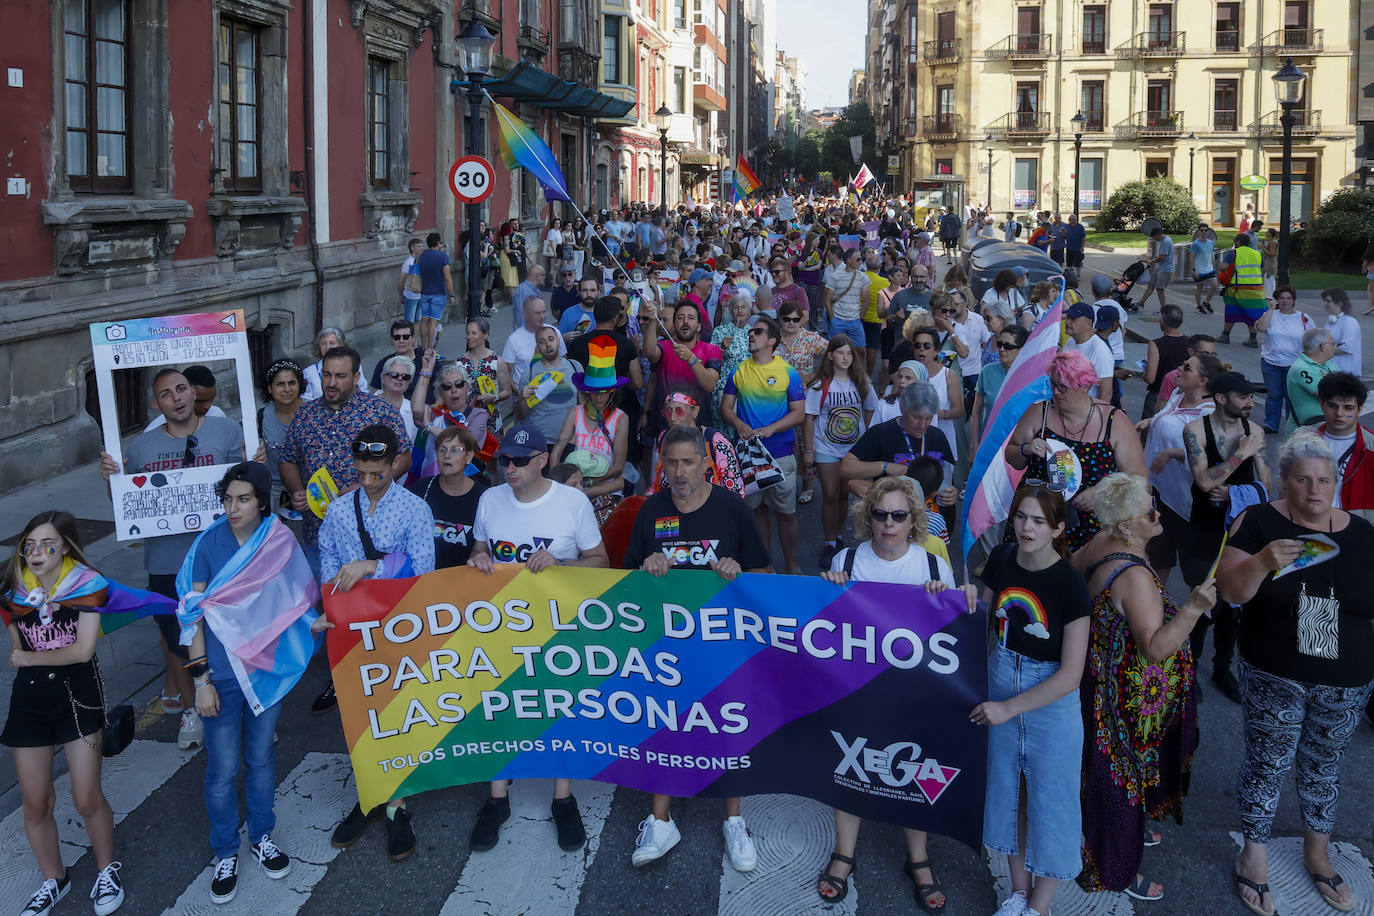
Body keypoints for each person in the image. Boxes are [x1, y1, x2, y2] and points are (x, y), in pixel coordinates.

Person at [1218, 432, 1374, 916]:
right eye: (1302, 480)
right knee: (1268, 764)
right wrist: (1265, 560)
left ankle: (1317, 853)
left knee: (1324, 768)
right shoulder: (1259, 522)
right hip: (1274, 671)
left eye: (1324, 480)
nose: (1314, 490)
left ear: (1336, 483)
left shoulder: (1363, 535)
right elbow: (1230, 592)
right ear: (1283, 482)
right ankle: (1254, 857)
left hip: (1347, 680)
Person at [817, 476, 971, 911]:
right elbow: (820, 627)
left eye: (898, 515)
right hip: (855, 690)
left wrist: (957, 599)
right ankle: (843, 854)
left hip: (913, 693)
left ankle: (918, 858)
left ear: (913, 520)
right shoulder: (845, 559)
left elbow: (957, 635)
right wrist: (826, 589)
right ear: (869, 517)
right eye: (880, 514)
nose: (888, 524)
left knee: (916, 768)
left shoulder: (934, 567)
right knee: (849, 766)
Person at [623, 424, 771, 869]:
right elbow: (625, 581)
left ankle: (733, 821)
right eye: (671, 462)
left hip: (723, 639)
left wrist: (737, 571)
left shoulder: (732, 508)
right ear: (661, 464)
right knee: (666, 722)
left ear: (707, 463)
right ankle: (660, 819)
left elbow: (766, 575)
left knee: (727, 726)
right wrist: (646, 566)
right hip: (666, 642)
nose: (680, 472)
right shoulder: (651, 510)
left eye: (689, 462)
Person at [467, 423, 610, 853]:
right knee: (496, 704)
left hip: (557, 626)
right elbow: (478, 549)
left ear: (543, 460)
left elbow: (601, 562)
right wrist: (477, 557)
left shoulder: (572, 502)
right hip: (501, 624)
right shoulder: (490, 499)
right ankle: (497, 799)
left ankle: (562, 798)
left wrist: (562, 563)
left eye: (519, 461)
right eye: (504, 460)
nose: (509, 468)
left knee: (558, 707)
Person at [179, 461, 318, 904]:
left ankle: (261, 835)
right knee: (222, 770)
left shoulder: (278, 540)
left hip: (265, 668)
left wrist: (316, 622)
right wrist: (201, 679)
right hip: (220, 673)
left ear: (261, 501)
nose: (232, 507)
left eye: (242, 499)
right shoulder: (208, 544)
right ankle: (225, 851)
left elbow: (293, 597)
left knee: (259, 759)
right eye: (227, 499)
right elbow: (192, 613)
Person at [1073, 474, 1212, 900]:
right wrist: (1193, 608)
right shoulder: (1134, 577)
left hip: (1096, 685)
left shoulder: (1099, 543)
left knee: (1096, 776)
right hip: (1125, 704)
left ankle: (1098, 843)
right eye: (1150, 510)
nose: (1157, 512)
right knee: (1120, 781)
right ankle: (1113, 868)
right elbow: (1154, 648)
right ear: (1129, 526)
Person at [97, 367, 247, 750]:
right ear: (156, 404)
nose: (177, 397)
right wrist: (112, 481)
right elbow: (128, 509)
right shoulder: (142, 448)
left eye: (182, 389)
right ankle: (192, 710)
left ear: (193, 393)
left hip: (223, 557)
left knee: (231, 638)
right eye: (167, 393)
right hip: (166, 561)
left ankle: (245, 713)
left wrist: (254, 463)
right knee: (178, 642)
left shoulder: (227, 432)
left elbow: (246, 491)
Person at [4, 512, 135, 916]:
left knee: (86, 797)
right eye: (30, 545)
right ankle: (53, 880)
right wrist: (26, 659)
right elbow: (17, 649)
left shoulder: (87, 584)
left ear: (66, 547)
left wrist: (29, 658)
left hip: (79, 698)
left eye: (48, 544)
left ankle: (106, 869)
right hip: (30, 702)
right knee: (35, 803)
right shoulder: (13, 591)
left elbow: (82, 651)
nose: (37, 552)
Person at [972, 485, 1091, 916]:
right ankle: (1018, 893)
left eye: (1039, 520)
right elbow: (979, 619)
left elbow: (1070, 675)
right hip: (1000, 676)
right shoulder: (1002, 558)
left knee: (1051, 802)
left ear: (1058, 528)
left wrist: (1007, 709)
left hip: (1049, 703)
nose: (1026, 527)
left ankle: (1040, 906)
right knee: (1007, 796)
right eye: (1021, 516)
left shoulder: (1071, 584)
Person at [319, 425, 435, 862]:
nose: (367, 481)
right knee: (359, 712)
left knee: (396, 712)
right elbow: (327, 558)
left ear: (393, 466)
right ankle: (369, 793)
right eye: (361, 472)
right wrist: (333, 597)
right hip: (351, 627)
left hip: (398, 626)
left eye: (376, 474)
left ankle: (397, 805)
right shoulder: (337, 509)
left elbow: (423, 569)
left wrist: (371, 568)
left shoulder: (414, 509)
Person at [1181, 370, 1270, 702]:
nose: (1250, 402)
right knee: (1203, 601)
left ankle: (1222, 669)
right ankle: (1188, 671)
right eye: (1243, 396)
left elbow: (1267, 488)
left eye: (1251, 397)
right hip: (1205, 528)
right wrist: (1240, 455)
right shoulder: (1196, 431)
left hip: (1241, 529)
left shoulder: (1255, 431)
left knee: (1234, 605)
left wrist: (1233, 491)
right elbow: (1204, 483)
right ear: (1220, 398)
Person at [1004, 350, 1148, 551]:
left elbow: (1139, 479)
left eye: (1063, 386)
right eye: (1052, 384)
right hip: (1038, 518)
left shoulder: (1113, 421)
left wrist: (1101, 492)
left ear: (1086, 386)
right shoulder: (1040, 412)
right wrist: (1026, 449)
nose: (1055, 391)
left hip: (1089, 527)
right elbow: (1012, 456)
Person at [721, 315, 807, 574]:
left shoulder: (788, 372)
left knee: (786, 514)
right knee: (756, 513)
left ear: (771, 341)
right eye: (750, 332)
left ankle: (792, 566)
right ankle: (765, 566)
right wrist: (738, 424)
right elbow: (725, 407)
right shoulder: (739, 369)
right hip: (747, 456)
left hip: (780, 455)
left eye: (757, 332)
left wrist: (771, 428)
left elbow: (799, 413)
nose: (750, 335)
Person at [1138, 353, 1223, 585]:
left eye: (1187, 367)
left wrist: (1175, 453)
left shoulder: (1209, 413)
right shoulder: (1177, 395)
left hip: (1184, 504)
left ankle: (1198, 616)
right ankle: (1156, 610)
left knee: (1194, 572)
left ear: (1202, 381)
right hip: (1154, 493)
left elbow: (1213, 457)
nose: (1179, 368)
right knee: (1157, 557)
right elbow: (1165, 418)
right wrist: (1150, 422)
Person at [804, 334, 878, 568]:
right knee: (830, 493)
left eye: (849, 353)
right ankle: (828, 542)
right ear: (830, 356)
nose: (845, 357)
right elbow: (809, 418)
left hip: (853, 450)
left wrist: (866, 438)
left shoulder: (862, 381)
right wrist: (808, 450)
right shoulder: (820, 385)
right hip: (826, 447)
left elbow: (871, 408)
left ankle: (838, 537)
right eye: (840, 353)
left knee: (845, 494)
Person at [553, 343, 630, 525]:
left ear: (612, 392)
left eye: (603, 393)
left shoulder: (621, 418)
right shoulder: (575, 413)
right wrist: (558, 480)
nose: (598, 398)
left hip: (607, 491)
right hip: (575, 487)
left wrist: (587, 483)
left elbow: (618, 467)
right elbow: (557, 449)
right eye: (594, 392)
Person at [408, 425, 487, 568]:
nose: (447, 456)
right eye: (442, 450)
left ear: (469, 456)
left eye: (455, 450)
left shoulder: (484, 498)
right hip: (420, 579)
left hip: (461, 581)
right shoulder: (421, 489)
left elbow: (485, 547)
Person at [640, 298, 723, 426]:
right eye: (680, 317)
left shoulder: (712, 350)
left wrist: (691, 358)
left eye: (690, 317)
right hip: (666, 423)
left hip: (699, 425)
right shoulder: (665, 346)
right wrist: (652, 320)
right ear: (674, 324)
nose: (685, 321)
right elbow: (650, 352)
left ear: (699, 326)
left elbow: (710, 384)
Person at [647, 387, 745, 496]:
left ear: (695, 411)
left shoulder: (715, 440)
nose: (672, 417)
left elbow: (736, 490)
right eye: (668, 411)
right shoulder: (663, 438)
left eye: (679, 411)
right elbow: (655, 482)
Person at [1256, 285, 1316, 433]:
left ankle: (1292, 425)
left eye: (1288, 298)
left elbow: (1313, 339)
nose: (1285, 301)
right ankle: (1271, 423)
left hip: (1294, 364)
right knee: (1274, 395)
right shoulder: (1271, 315)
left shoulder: (1304, 318)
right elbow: (1261, 328)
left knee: (1292, 397)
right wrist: (1270, 310)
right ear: (1276, 300)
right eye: (1281, 298)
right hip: (1271, 363)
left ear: (1294, 300)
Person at [1316, 372, 1374, 524]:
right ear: (1322, 404)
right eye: (1332, 406)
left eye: (1348, 408)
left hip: (1357, 529)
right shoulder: (1303, 442)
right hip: (1311, 524)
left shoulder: (1371, 448)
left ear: (1359, 409)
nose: (1339, 414)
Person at [257, 359, 306, 527]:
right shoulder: (262, 416)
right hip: (273, 491)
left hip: (308, 490)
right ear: (270, 388)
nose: (287, 389)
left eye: (292, 383)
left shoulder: (313, 412)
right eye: (280, 384)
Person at [517, 325, 582, 443]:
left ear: (558, 341)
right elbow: (521, 416)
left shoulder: (575, 367)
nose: (548, 345)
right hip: (541, 442)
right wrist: (521, 399)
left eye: (551, 339)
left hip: (571, 440)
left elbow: (584, 404)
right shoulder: (529, 374)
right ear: (537, 347)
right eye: (542, 342)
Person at [970, 326, 1027, 456]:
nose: (1001, 349)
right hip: (987, 446)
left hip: (1016, 450)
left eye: (1008, 346)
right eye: (1000, 344)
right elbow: (976, 413)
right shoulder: (987, 371)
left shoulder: (1031, 378)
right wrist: (974, 446)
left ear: (1022, 349)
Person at [453, 316, 507, 441]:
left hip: (491, 419)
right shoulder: (459, 362)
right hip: (466, 419)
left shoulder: (497, 361)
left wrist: (494, 397)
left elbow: (507, 391)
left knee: (491, 457)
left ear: (485, 334)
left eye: (474, 333)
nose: (469, 336)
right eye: (467, 333)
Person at [501, 295, 565, 392]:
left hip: (554, 393)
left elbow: (564, 361)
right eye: (537, 313)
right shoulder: (514, 340)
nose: (542, 317)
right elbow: (506, 373)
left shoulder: (554, 332)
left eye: (544, 312)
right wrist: (519, 395)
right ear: (525, 314)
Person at [142, 364, 227, 430]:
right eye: (200, 401)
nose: (207, 406)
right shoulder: (154, 430)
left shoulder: (217, 415)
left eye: (211, 399)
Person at [1141, 304, 1190, 419]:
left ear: (1162, 321)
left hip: (1159, 395)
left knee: (1151, 431)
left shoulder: (1156, 344)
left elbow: (1150, 378)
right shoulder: (1190, 343)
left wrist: (1144, 372)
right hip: (1182, 396)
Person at [1285, 328, 1336, 432]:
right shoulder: (1301, 368)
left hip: (1325, 427)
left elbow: (1347, 386)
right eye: (1333, 343)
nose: (1335, 347)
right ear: (1323, 347)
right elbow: (1328, 395)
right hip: (1304, 432)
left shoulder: (1328, 363)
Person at [1221, 233, 1265, 347]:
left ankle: (1225, 335)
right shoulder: (1257, 254)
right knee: (1251, 313)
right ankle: (1253, 339)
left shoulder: (1234, 252)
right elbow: (1263, 270)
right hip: (1256, 289)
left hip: (1237, 288)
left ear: (1238, 242)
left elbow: (1223, 267)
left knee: (1232, 311)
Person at [368, 319, 430, 401]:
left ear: (413, 338)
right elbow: (374, 393)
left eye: (406, 337)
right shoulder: (384, 364)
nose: (401, 341)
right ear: (392, 340)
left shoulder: (426, 359)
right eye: (397, 337)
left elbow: (441, 388)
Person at [1063, 302, 1114, 399]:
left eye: (1073, 318)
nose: (1067, 322)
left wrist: (1095, 414)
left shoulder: (1100, 351)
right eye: (1068, 317)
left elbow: (1106, 394)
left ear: (1089, 323)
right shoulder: (1071, 341)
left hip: (1083, 412)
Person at [302, 327, 369, 401]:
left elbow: (364, 392)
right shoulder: (309, 372)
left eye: (332, 343)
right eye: (323, 343)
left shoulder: (354, 366)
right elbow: (306, 400)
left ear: (341, 345)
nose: (327, 347)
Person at [821, 247, 870, 343]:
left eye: (861, 259)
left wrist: (860, 317)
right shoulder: (835, 276)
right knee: (835, 349)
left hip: (855, 320)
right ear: (848, 260)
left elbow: (866, 300)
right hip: (837, 320)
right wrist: (832, 319)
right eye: (858, 259)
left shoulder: (863, 277)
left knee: (860, 350)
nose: (861, 262)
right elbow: (827, 299)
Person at [415, 232, 455, 349]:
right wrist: (452, 294)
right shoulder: (443, 257)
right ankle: (430, 348)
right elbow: (447, 277)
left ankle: (423, 348)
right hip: (438, 293)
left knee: (424, 319)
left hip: (425, 292)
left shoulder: (422, 256)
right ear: (437, 243)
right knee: (433, 322)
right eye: (441, 242)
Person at [376, 353, 419, 445]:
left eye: (405, 377)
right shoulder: (367, 405)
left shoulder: (412, 409)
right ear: (383, 378)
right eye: (394, 374)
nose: (399, 379)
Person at [1321, 288, 1361, 377]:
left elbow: (1346, 348)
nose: (1325, 304)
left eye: (1328, 301)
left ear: (1339, 303)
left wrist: (1322, 350)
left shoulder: (1349, 322)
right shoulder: (1330, 321)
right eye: (1324, 301)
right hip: (1332, 372)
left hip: (1346, 375)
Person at [1138, 226, 1174, 312]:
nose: (1154, 239)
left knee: (1159, 289)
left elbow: (1161, 258)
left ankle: (1164, 308)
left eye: (1154, 237)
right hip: (1159, 267)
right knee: (1151, 285)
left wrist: (1150, 261)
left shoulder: (1166, 242)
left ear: (1158, 235)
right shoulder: (1163, 240)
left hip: (1165, 269)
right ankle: (1141, 302)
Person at [558, 275, 599, 339]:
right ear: (579, 292)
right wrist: (564, 338)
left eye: (592, 290)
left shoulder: (605, 312)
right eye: (584, 290)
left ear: (598, 292)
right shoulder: (568, 313)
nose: (589, 295)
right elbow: (558, 341)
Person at [1190, 225, 1218, 314]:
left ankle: (1206, 302)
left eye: (1206, 230)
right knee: (1199, 289)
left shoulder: (1211, 243)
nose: (1204, 232)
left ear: (1208, 232)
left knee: (1214, 286)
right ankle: (1198, 306)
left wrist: (1213, 266)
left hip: (1209, 269)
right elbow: (1191, 257)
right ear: (1198, 232)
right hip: (1199, 270)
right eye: (1202, 230)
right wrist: (1194, 270)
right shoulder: (1195, 244)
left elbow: (1211, 254)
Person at [399, 236, 424, 323]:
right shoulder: (408, 262)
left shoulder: (422, 260)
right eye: (419, 246)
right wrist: (401, 294)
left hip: (421, 295)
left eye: (421, 246)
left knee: (417, 321)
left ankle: (414, 337)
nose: (421, 248)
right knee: (409, 322)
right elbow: (402, 280)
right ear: (412, 248)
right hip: (411, 296)